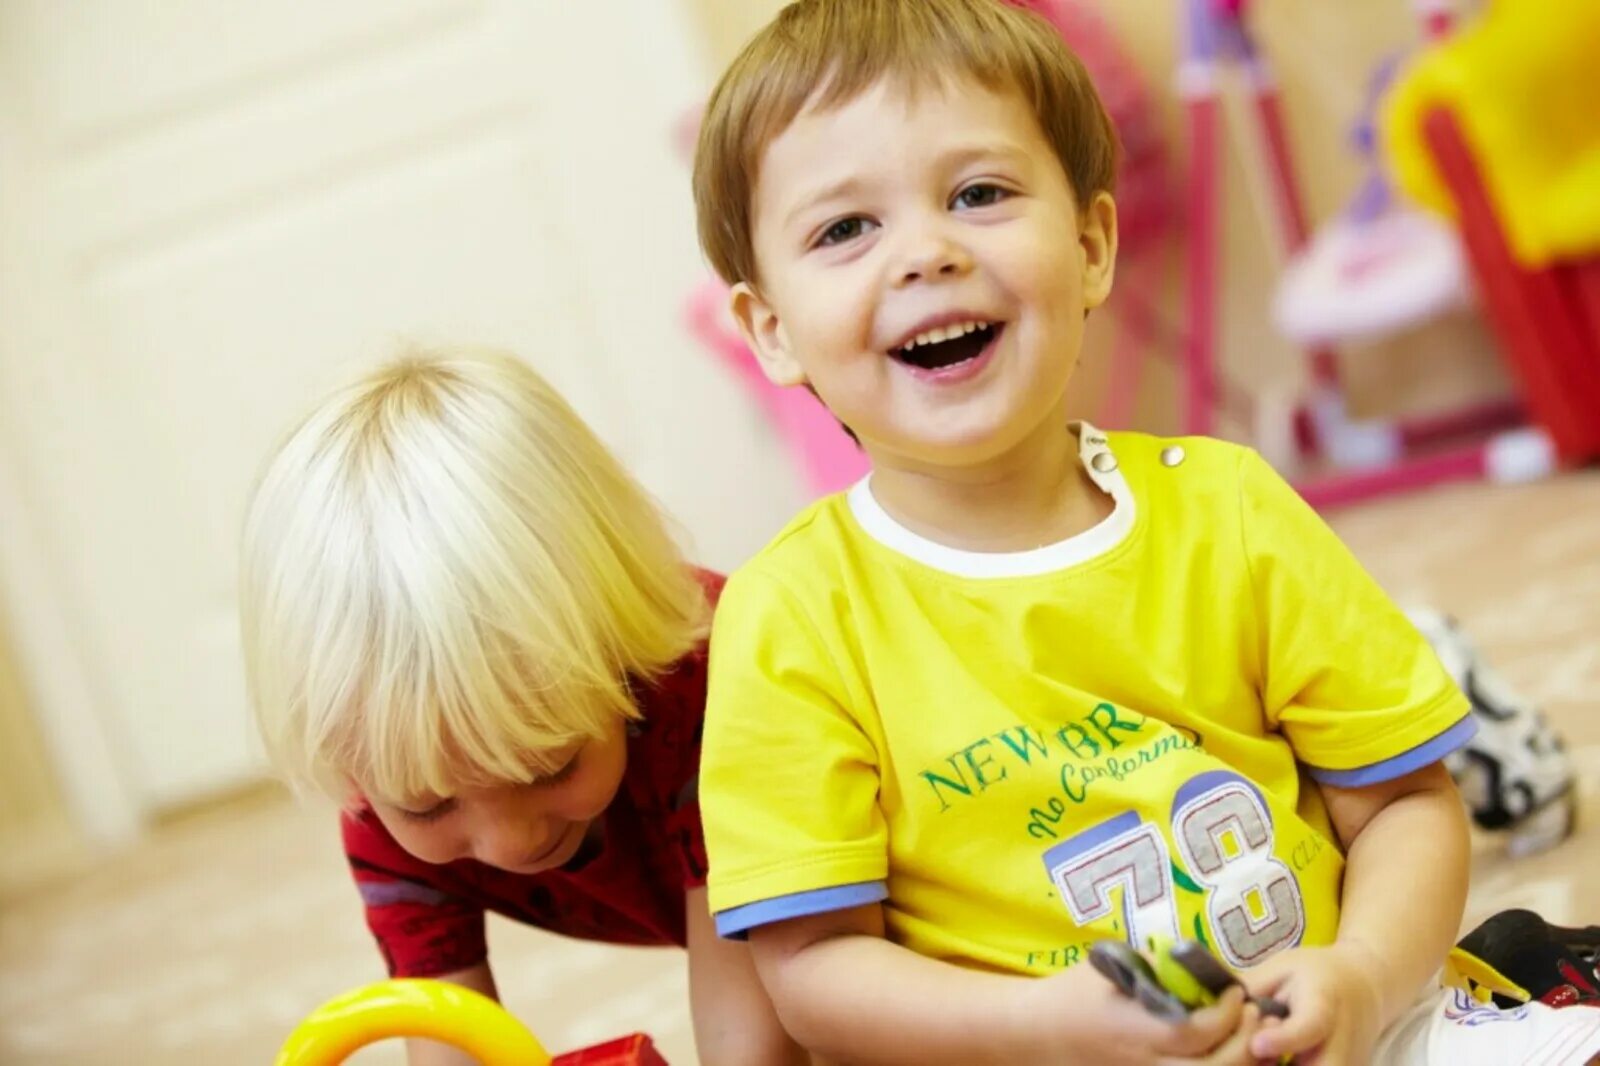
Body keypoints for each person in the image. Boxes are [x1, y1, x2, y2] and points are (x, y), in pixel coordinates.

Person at [689, 1, 1600, 1062]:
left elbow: (1401, 804)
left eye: (978, 194)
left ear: (1088, 246)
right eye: (846, 228)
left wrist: (1362, 974)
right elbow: (810, 971)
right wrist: (1046, 1029)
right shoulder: (787, 618)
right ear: (771, 330)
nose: (925, 252)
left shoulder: (1231, 510)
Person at [239, 348, 806, 1066]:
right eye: (429, 808)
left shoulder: (715, 687)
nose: (511, 843)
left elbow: (753, 1036)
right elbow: (447, 1031)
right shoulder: (380, 796)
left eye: (549, 767)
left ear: (613, 644)